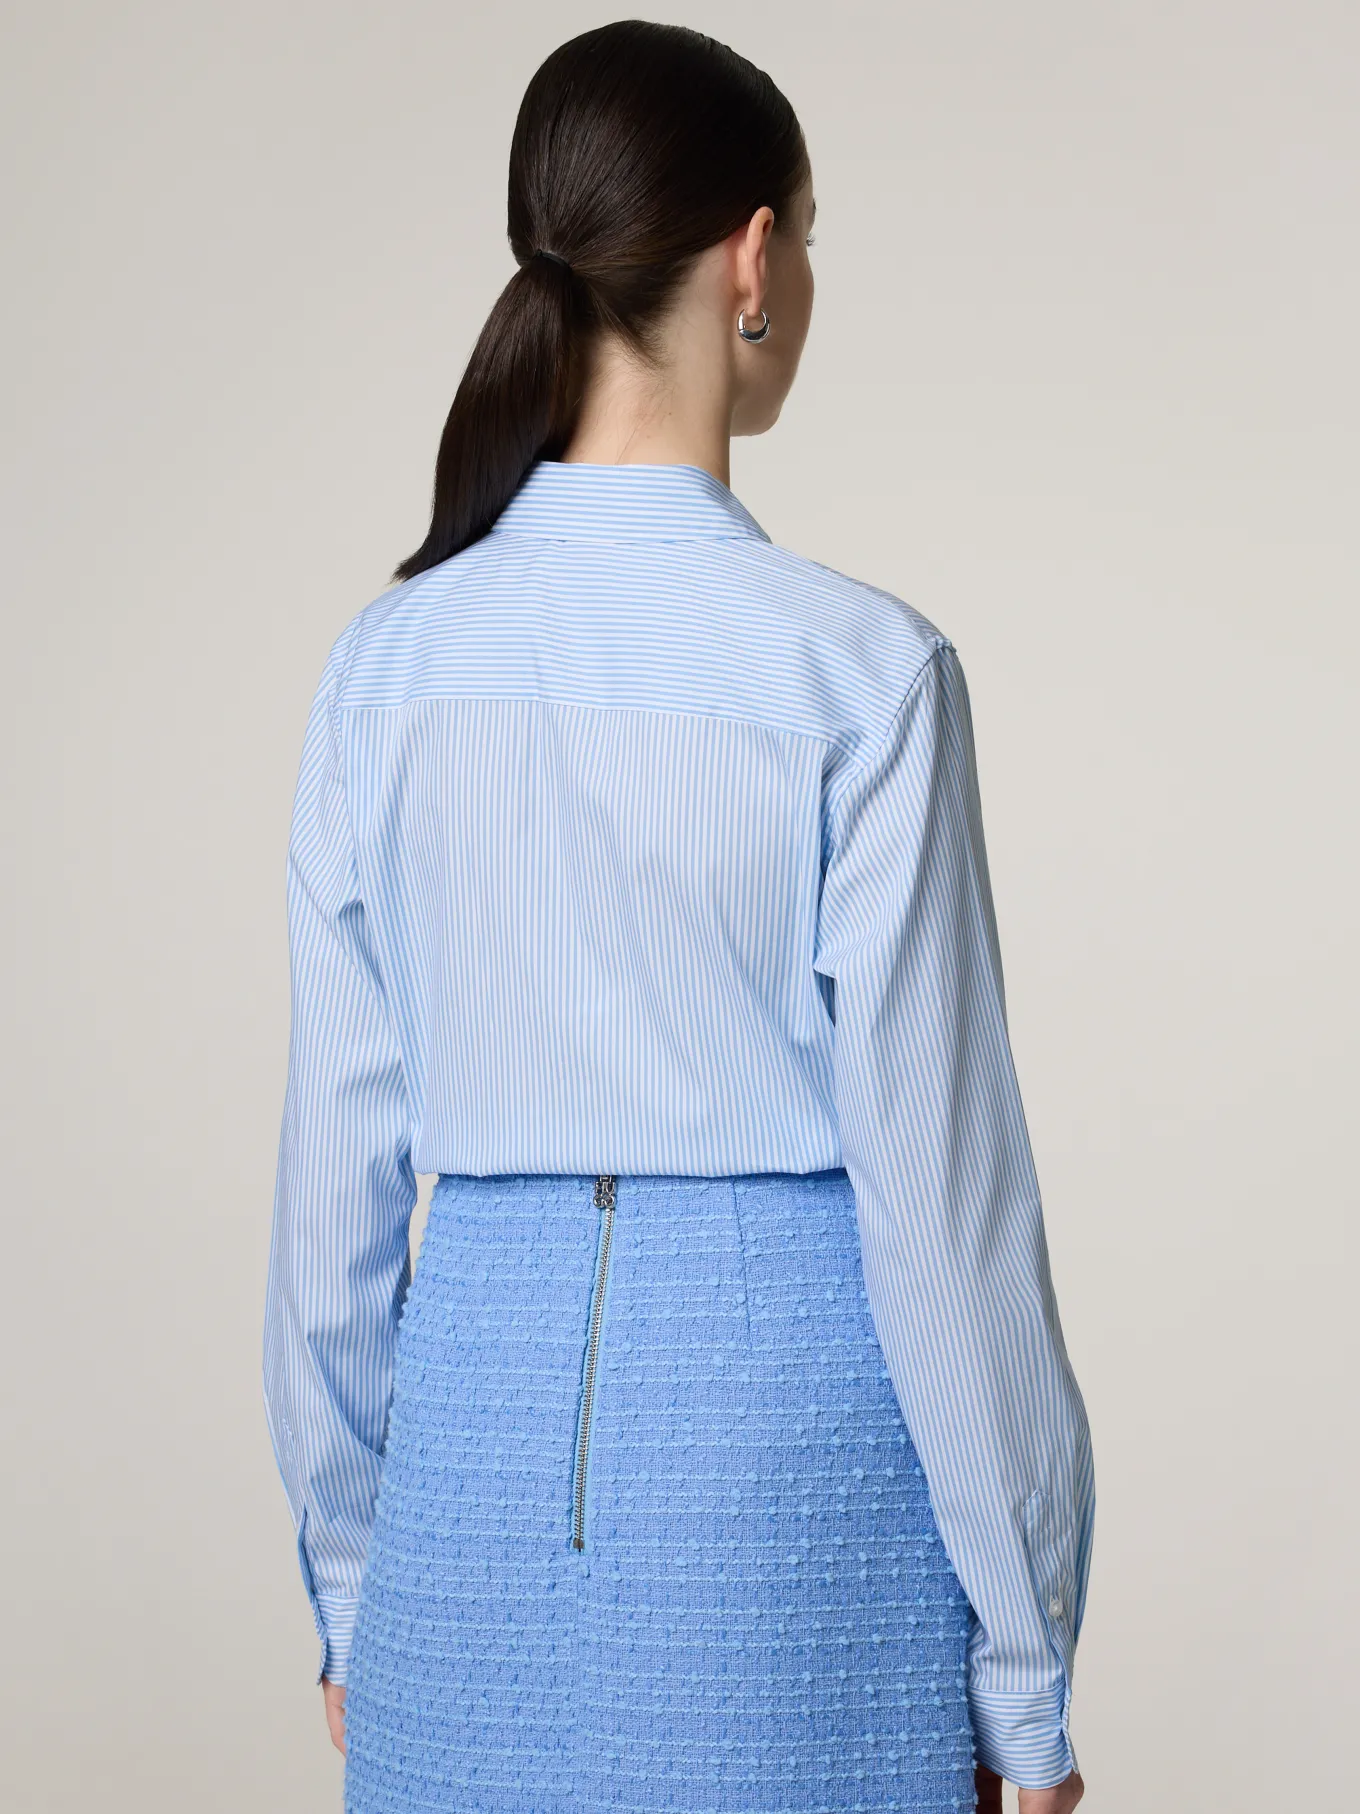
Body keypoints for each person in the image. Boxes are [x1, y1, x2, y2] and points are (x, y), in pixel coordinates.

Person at [262, 20, 1092, 1814]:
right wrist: (1026, 1676)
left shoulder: (382, 671)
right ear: (754, 259)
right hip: (796, 1499)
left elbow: (334, 1197)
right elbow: (946, 1218)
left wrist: (354, 1590)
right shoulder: (863, 674)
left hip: (462, 1488)